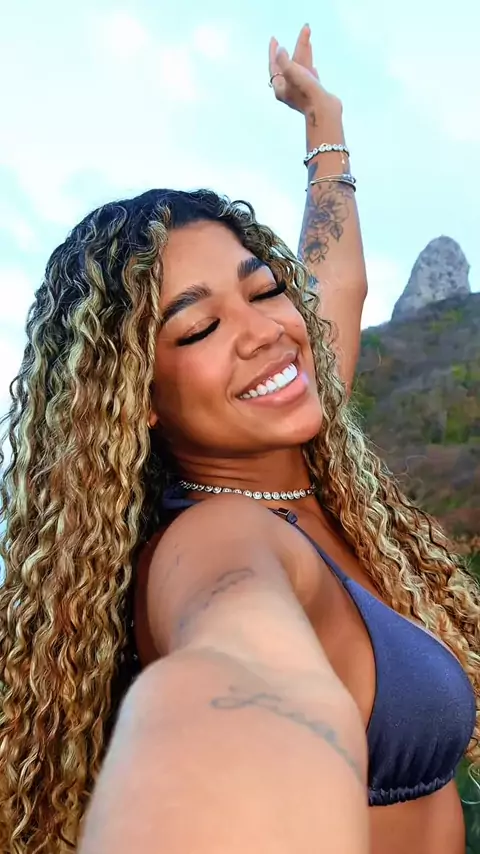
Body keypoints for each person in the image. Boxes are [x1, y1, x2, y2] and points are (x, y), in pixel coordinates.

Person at [0, 25, 478, 854]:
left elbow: (336, 283)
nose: (263, 333)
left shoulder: (293, 443)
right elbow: (236, 666)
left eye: (263, 291)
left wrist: (322, 121)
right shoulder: (216, 538)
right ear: (139, 400)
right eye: (197, 329)